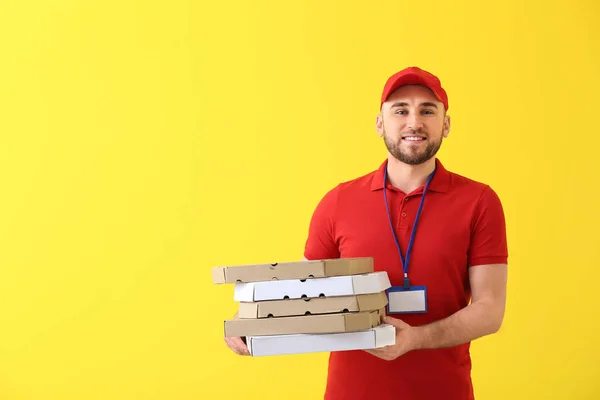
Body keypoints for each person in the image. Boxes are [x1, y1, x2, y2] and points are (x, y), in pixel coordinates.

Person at [224, 66, 508, 400]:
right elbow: (303, 293)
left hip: (443, 390)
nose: (414, 122)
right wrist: (251, 319)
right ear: (379, 124)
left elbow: (490, 309)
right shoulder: (338, 201)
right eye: (400, 110)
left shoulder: (479, 201)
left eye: (427, 111)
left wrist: (416, 338)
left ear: (445, 125)